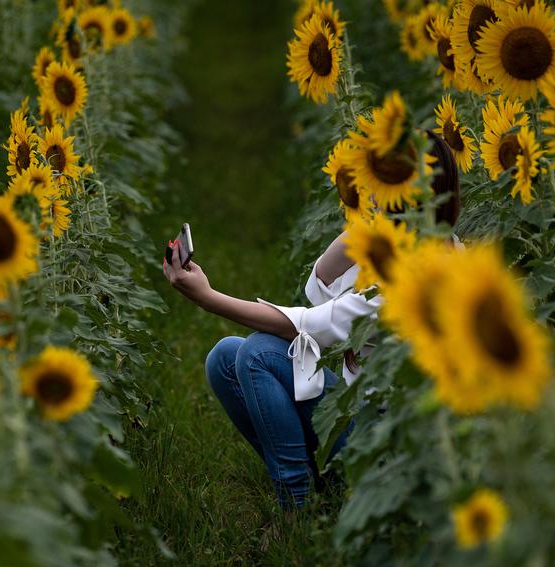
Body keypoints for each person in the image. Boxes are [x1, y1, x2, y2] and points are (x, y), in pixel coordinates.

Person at [163, 130, 462, 509]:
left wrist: (207, 298)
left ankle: (298, 501)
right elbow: (318, 286)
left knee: (257, 354)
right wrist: (368, 225)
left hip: (385, 450)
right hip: (362, 420)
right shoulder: (420, 246)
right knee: (225, 357)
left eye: (379, 178)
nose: (368, 185)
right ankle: (318, 478)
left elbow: (306, 324)